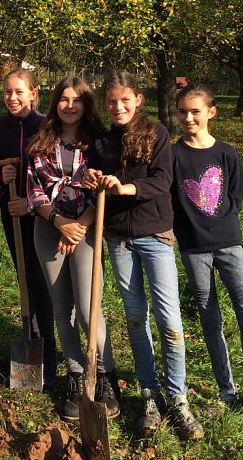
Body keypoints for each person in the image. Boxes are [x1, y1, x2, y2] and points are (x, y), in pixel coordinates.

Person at [85, 70, 204, 440]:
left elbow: (161, 180)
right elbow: (97, 185)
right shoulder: (102, 142)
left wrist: (125, 187)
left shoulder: (157, 133)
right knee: (136, 317)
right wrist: (95, 181)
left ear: (138, 99)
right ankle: (149, 393)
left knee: (169, 319)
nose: (117, 107)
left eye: (124, 100)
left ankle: (178, 398)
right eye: (111, 102)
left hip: (155, 235)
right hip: (119, 238)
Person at [172, 82, 243, 445]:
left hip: (230, 247)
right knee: (209, 320)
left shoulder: (227, 154)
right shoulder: (173, 156)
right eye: (182, 111)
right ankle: (227, 392)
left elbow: (236, 197)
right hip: (193, 251)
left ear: (211, 112)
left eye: (195, 111)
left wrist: (220, 225)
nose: (188, 118)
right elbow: (168, 201)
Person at [26, 75, 120, 421]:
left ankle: (105, 374)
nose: (69, 105)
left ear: (86, 104)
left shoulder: (100, 144)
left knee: (87, 310)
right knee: (60, 308)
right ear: (55, 104)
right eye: (63, 99)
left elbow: (105, 190)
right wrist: (59, 223)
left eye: (76, 100)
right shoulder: (41, 141)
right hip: (49, 229)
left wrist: (80, 224)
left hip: (87, 230)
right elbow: (33, 191)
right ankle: (77, 374)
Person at [0, 68, 57, 389]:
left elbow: (50, 174)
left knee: (43, 281)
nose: (12, 98)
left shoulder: (44, 127)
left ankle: (51, 350)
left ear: (34, 93)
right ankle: (30, 338)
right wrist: (5, 189)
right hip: (12, 213)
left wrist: (29, 203)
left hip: (42, 216)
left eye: (19, 92)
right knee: (25, 279)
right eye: (7, 92)